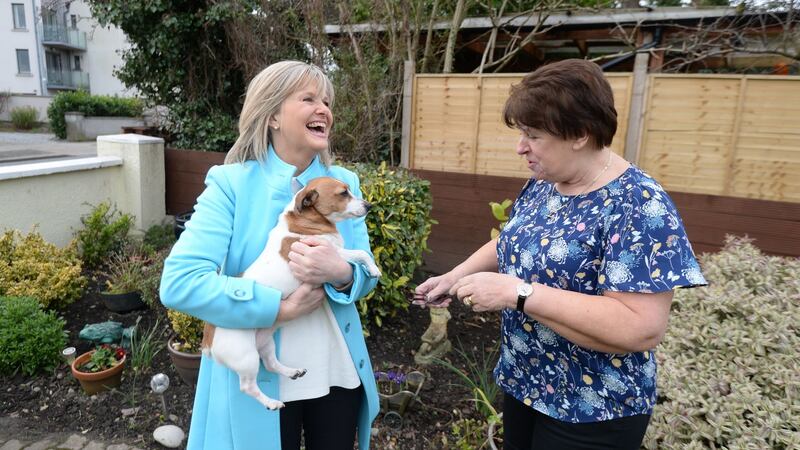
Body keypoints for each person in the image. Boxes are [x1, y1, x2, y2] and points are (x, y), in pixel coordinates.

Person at [415, 59, 707, 450]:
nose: (521, 147)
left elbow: (641, 327)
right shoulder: (545, 184)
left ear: (580, 134)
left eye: (533, 135)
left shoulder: (639, 205)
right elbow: (511, 241)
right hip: (527, 384)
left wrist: (518, 293)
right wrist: (454, 276)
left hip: (594, 410)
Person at [160, 61, 380, 450]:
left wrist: (343, 272)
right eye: (309, 99)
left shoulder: (345, 184)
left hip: (336, 367)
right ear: (273, 115)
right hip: (259, 372)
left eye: (326, 101)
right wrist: (277, 310)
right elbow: (180, 283)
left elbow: (365, 277)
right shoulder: (230, 183)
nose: (324, 109)